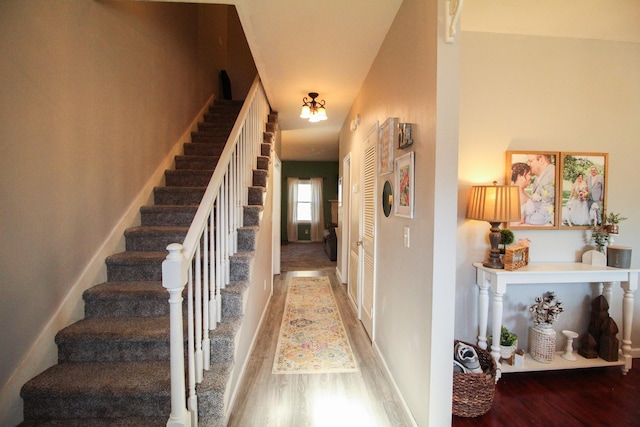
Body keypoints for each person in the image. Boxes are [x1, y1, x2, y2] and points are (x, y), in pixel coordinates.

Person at [526, 154, 555, 226]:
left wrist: (526, 219)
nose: (528, 164)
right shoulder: (538, 177)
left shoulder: (552, 176)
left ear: (541, 160)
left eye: (530, 161)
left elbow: (547, 212)